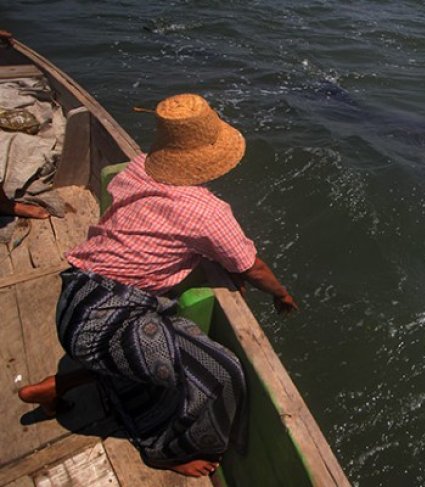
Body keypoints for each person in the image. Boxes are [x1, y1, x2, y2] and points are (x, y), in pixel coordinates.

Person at [17, 93, 297, 477]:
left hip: (75, 296)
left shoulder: (137, 169)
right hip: (105, 320)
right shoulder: (208, 212)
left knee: (150, 352)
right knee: (220, 372)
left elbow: (160, 226)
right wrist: (281, 294)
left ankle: (57, 387)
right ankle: (165, 451)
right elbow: (253, 267)